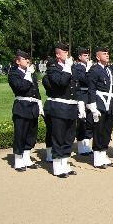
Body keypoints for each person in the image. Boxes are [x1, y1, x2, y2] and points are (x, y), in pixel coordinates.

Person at [43, 43, 82, 178]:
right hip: (59, 107)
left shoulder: (71, 68)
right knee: (58, 137)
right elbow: (61, 82)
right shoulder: (53, 69)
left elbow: (76, 87)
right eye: (64, 52)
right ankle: (57, 167)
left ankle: (64, 163)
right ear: (58, 55)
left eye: (67, 51)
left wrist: (80, 103)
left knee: (69, 138)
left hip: (71, 107)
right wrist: (67, 67)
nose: (67, 54)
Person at [7, 50, 42, 172]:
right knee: (20, 133)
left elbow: (35, 90)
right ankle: (18, 159)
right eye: (24, 59)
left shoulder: (31, 74)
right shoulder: (13, 73)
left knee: (31, 134)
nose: (27, 61)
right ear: (17, 61)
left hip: (32, 106)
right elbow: (20, 87)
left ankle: (26, 158)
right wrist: (27, 74)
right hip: (22, 106)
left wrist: (39, 104)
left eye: (28, 59)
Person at [86, 46, 113, 169]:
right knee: (98, 131)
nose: (107, 55)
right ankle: (97, 158)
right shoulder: (94, 70)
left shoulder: (109, 70)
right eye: (104, 53)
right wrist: (93, 106)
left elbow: (112, 88)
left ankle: (103, 154)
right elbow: (91, 89)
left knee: (107, 130)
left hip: (109, 103)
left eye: (107, 53)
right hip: (99, 103)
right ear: (98, 57)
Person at [73, 47, 93, 156]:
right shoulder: (77, 67)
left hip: (89, 95)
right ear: (79, 57)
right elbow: (85, 80)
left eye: (87, 55)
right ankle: (81, 145)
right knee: (82, 120)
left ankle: (86, 143)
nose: (87, 57)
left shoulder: (87, 67)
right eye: (85, 55)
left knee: (90, 120)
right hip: (81, 94)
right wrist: (89, 70)